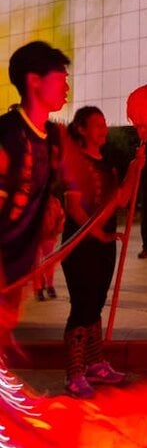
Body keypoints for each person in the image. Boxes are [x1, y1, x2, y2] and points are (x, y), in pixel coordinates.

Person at [61, 106, 144, 398]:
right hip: (79, 246)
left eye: (105, 123)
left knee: (96, 304)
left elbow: (121, 198)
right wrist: (96, 233)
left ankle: (95, 365)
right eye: (97, 124)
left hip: (104, 245)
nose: (103, 128)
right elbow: (73, 207)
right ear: (81, 129)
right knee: (82, 306)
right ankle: (74, 374)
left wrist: (136, 167)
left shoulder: (109, 164)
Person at [0, 41, 70, 347]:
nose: (66, 85)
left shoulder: (53, 136)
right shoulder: (7, 135)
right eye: (60, 76)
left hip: (17, 266)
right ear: (34, 80)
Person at [33, 191, 65, 301]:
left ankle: (50, 286)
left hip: (49, 236)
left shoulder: (54, 202)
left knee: (49, 263)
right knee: (36, 264)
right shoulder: (33, 201)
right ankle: (39, 288)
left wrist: (56, 230)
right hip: (35, 238)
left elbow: (61, 217)